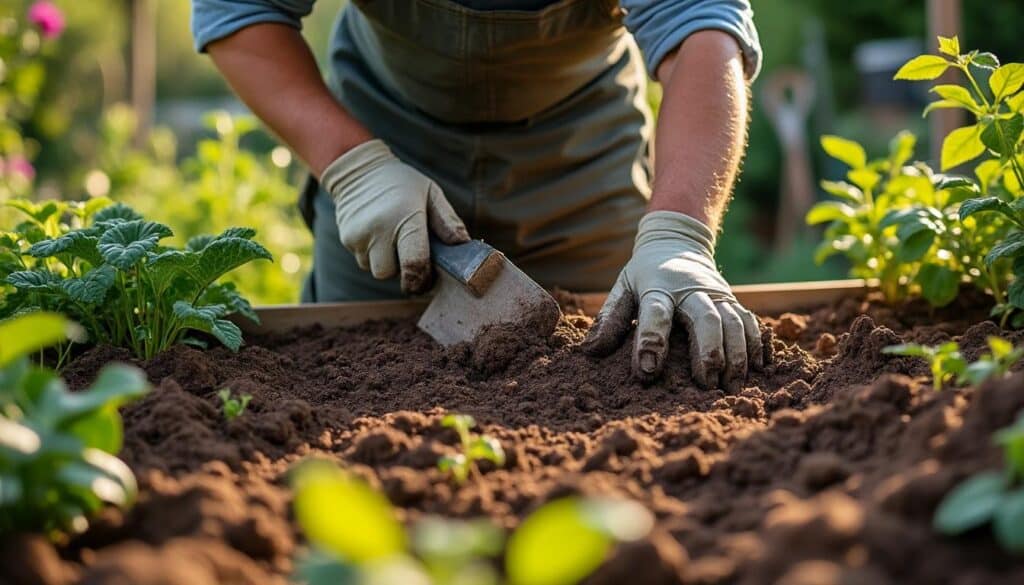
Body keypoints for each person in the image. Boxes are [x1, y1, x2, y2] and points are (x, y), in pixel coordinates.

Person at [192, 0, 764, 390]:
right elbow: (242, 10)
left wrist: (677, 233)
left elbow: (701, 30)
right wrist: (353, 167)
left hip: (581, 175)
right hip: (385, 166)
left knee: (628, 358)